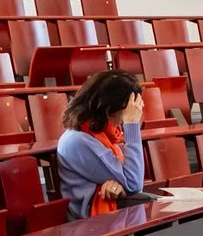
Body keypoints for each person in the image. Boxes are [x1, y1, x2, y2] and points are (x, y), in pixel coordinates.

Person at [55, 69, 147, 218]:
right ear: (110, 110)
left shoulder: (99, 133)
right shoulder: (78, 141)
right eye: (128, 110)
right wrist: (132, 125)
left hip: (110, 210)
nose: (129, 115)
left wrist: (120, 187)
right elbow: (134, 183)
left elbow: (129, 184)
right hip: (91, 221)